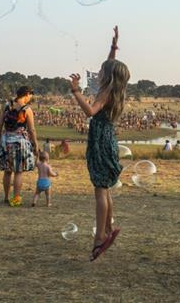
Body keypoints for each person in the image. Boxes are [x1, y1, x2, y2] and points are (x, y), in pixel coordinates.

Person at [69, 26, 129, 261]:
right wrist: (113, 47)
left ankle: (99, 238)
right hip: (107, 138)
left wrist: (75, 92)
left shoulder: (104, 94)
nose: (98, 72)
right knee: (104, 187)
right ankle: (106, 229)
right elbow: (110, 65)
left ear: (108, 76)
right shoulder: (114, 90)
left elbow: (90, 112)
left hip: (100, 141)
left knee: (99, 191)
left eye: (102, 71)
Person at [0, 85, 39, 207]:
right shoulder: (27, 110)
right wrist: (35, 144)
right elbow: (32, 130)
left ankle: (6, 197)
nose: (30, 98)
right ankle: (16, 198)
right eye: (30, 95)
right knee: (18, 171)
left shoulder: (6, 106)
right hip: (20, 142)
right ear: (26, 94)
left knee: (7, 171)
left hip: (6, 140)